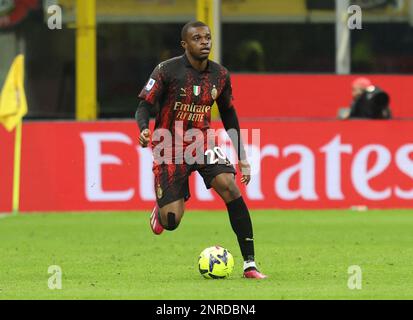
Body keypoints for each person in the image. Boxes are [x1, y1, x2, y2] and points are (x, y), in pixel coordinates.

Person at [135, 21, 267, 279]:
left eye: (207, 37)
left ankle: (249, 264)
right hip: (169, 146)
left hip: (202, 142)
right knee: (171, 220)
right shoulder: (166, 70)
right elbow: (144, 105)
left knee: (229, 185)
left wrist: (242, 157)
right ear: (185, 44)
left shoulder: (220, 74)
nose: (204, 42)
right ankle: (163, 208)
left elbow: (229, 114)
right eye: (197, 38)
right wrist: (143, 128)